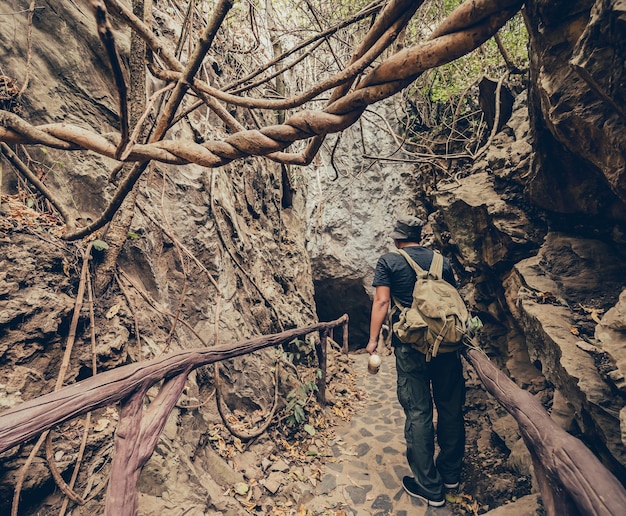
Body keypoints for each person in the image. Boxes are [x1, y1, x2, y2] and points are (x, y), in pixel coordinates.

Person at [366, 216, 465, 507]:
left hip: (411, 346)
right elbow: (452, 301)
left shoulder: (389, 261)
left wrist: (373, 340)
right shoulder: (441, 262)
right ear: (419, 237)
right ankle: (450, 475)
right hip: (445, 345)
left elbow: (382, 302)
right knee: (449, 407)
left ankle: (429, 486)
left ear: (397, 239)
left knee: (419, 411)